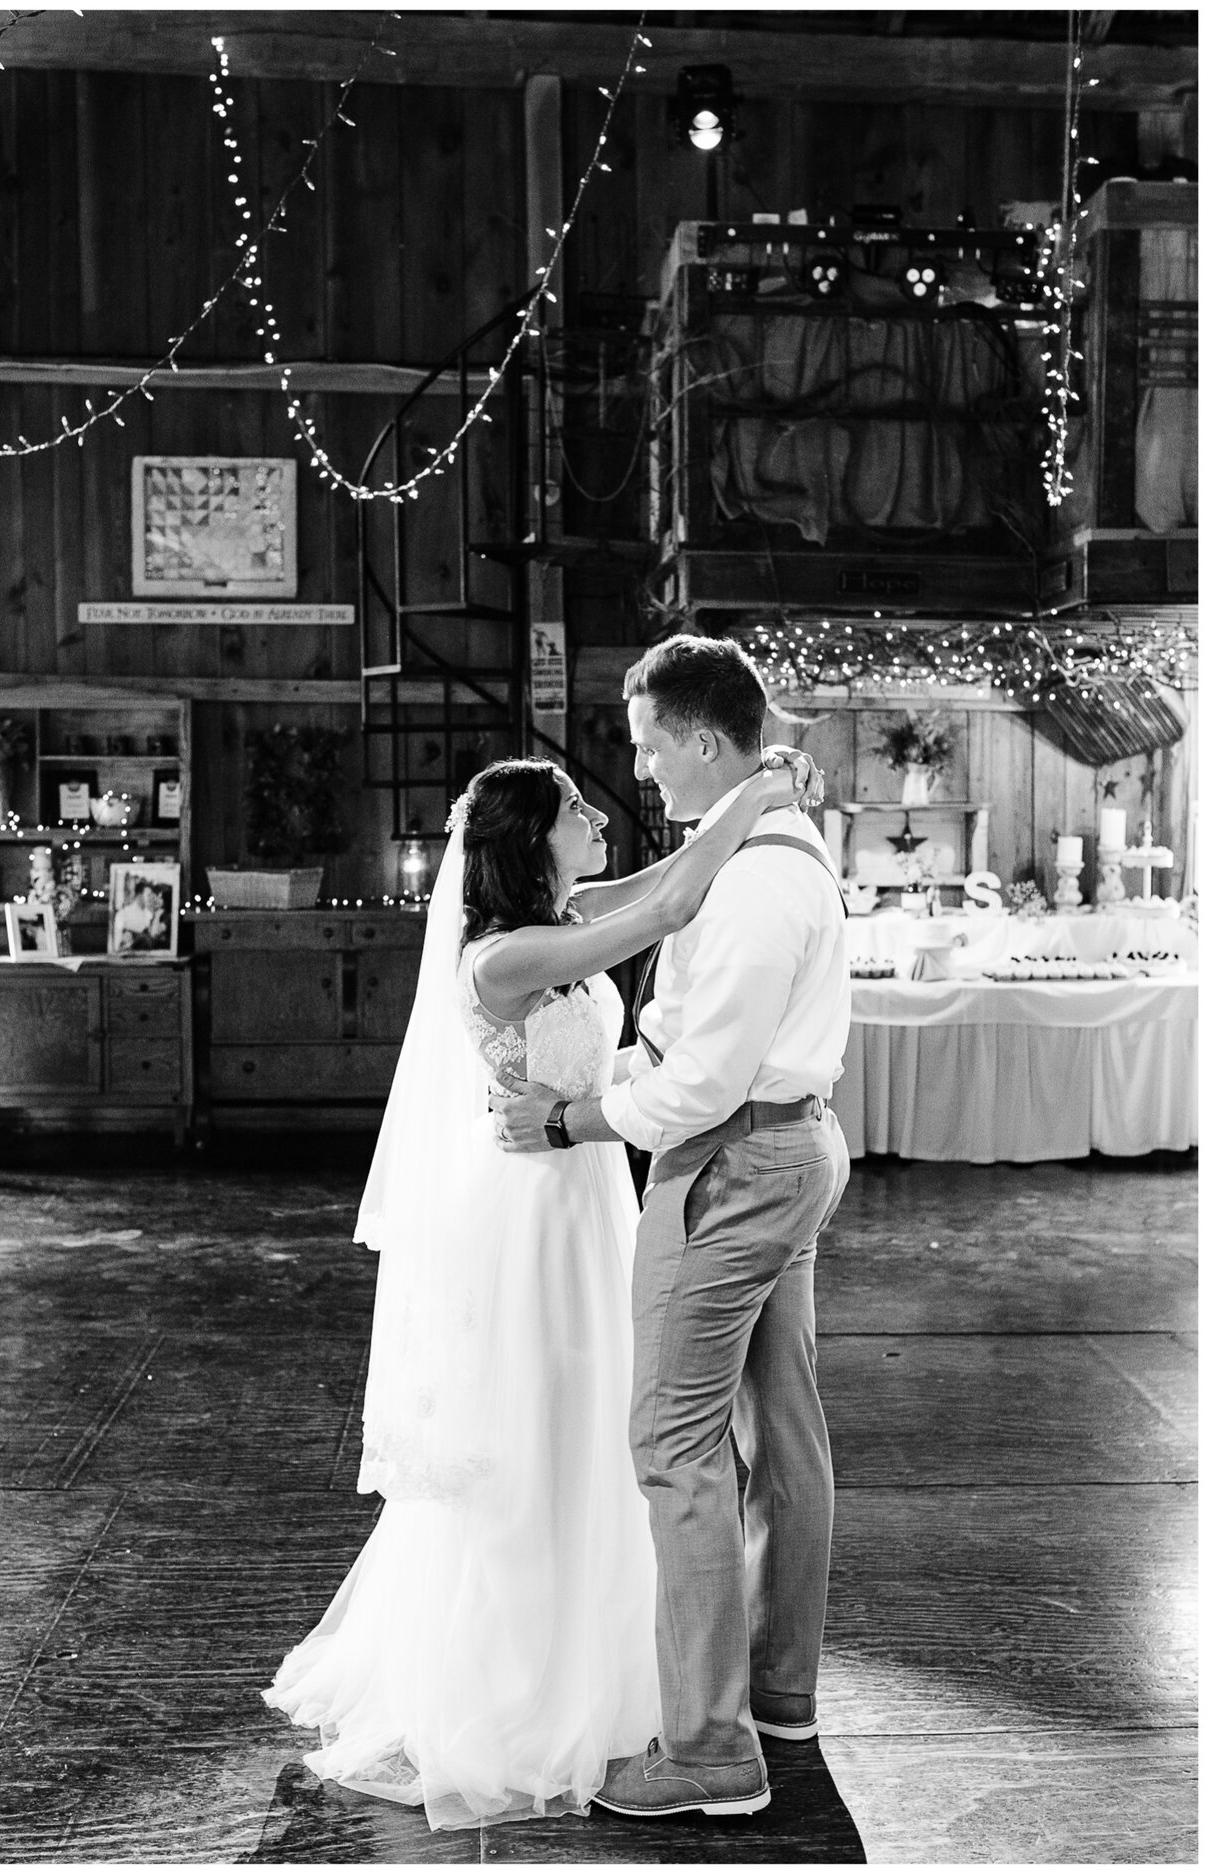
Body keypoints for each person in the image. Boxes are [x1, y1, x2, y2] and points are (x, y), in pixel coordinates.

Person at [265, 745, 810, 1830]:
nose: (602, 822)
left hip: (589, 1188)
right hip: (523, 1212)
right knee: (538, 1425)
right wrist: (753, 794)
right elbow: (671, 906)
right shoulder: (497, 960)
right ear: (529, 839)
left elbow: (660, 882)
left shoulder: (560, 911)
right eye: (577, 812)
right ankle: (524, 1682)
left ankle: (628, 1653)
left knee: (611, 1417)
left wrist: (743, 807)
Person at [496, 635, 851, 1821]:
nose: (642, 773)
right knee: (781, 1429)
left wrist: (572, 1120)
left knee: (675, 1446)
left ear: (702, 740)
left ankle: (708, 1749)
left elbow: (699, 1086)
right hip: (789, 1144)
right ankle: (778, 1695)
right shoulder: (766, 843)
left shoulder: (757, 877)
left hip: (732, 1162)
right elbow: (677, 979)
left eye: (650, 748)